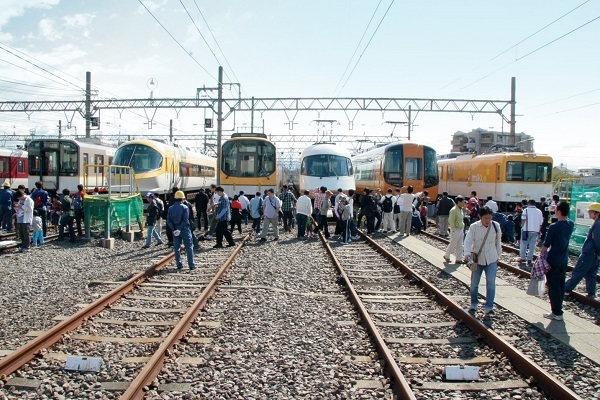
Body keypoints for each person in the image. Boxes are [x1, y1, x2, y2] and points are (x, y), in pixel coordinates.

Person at [464, 206, 502, 317]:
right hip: (477, 259)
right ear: (480, 217)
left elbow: (498, 242)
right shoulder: (474, 227)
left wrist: (498, 256)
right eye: (485, 218)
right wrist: (467, 254)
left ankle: (489, 306)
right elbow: (468, 241)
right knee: (474, 284)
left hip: (491, 258)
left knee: (491, 283)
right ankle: (474, 303)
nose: (488, 220)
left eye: (490, 218)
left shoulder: (495, 226)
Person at [539, 201, 574, 320]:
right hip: (563, 259)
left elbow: (546, 244)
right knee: (560, 285)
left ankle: (556, 312)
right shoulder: (570, 224)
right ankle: (558, 310)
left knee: (553, 287)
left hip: (553, 259)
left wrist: (541, 253)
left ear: (558, 212)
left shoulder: (554, 227)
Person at [564, 202, 600, 299]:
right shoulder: (597, 223)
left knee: (579, 271)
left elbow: (597, 240)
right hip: (594, 253)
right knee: (591, 273)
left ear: (597, 213)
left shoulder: (597, 224)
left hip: (589, 253)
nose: (589, 213)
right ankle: (591, 293)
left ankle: (566, 289)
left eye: (590, 212)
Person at [167, 190, 196, 270]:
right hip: (184, 229)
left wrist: (174, 229)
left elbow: (168, 221)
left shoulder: (170, 208)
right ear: (182, 199)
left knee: (176, 248)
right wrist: (179, 229)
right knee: (189, 247)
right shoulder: (185, 207)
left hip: (175, 230)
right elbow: (185, 220)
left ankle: (179, 265)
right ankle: (191, 265)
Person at [519, 199, 544, 266]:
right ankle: (530, 259)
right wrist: (539, 230)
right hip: (535, 230)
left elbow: (523, 219)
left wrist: (522, 226)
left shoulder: (526, 210)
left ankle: (523, 258)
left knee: (524, 244)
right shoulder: (539, 211)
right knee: (532, 245)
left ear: (528, 203)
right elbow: (541, 222)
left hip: (526, 230)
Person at [444, 195, 466, 264]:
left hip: (460, 228)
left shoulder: (460, 210)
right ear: (458, 202)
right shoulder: (453, 210)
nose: (463, 203)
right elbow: (451, 220)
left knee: (460, 244)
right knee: (453, 243)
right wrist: (453, 229)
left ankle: (458, 258)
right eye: (462, 202)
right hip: (456, 229)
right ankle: (447, 255)